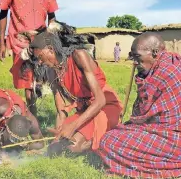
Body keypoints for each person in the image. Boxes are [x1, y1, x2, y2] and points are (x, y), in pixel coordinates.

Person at [96, 32, 181, 179]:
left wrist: (128, 127)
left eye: (137, 56)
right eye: (132, 56)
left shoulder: (164, 73)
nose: (134, 62)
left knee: (109, 141)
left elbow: (142, 116)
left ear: (154, 52)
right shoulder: (172, 62)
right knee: (121, 133)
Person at [21, 21, 123, 157]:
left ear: (51, 49)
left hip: (105, 106)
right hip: (86, 111)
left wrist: (73, 127)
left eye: (40, 57)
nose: (39, 62)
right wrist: (59, 132)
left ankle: (107, 135)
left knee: (74, 146)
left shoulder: (79, 56)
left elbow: (100, 100)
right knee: (58, 145)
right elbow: (61, 110)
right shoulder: (52, 72)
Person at [0, 0, 59, 117]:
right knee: (27, 82)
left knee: (46, 79)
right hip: (20, 42)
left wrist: (52, 38)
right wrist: (2, 43)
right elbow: (3, 14)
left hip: (41, 42)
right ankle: (34, 119)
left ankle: (51, 113)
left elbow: (52, 15)